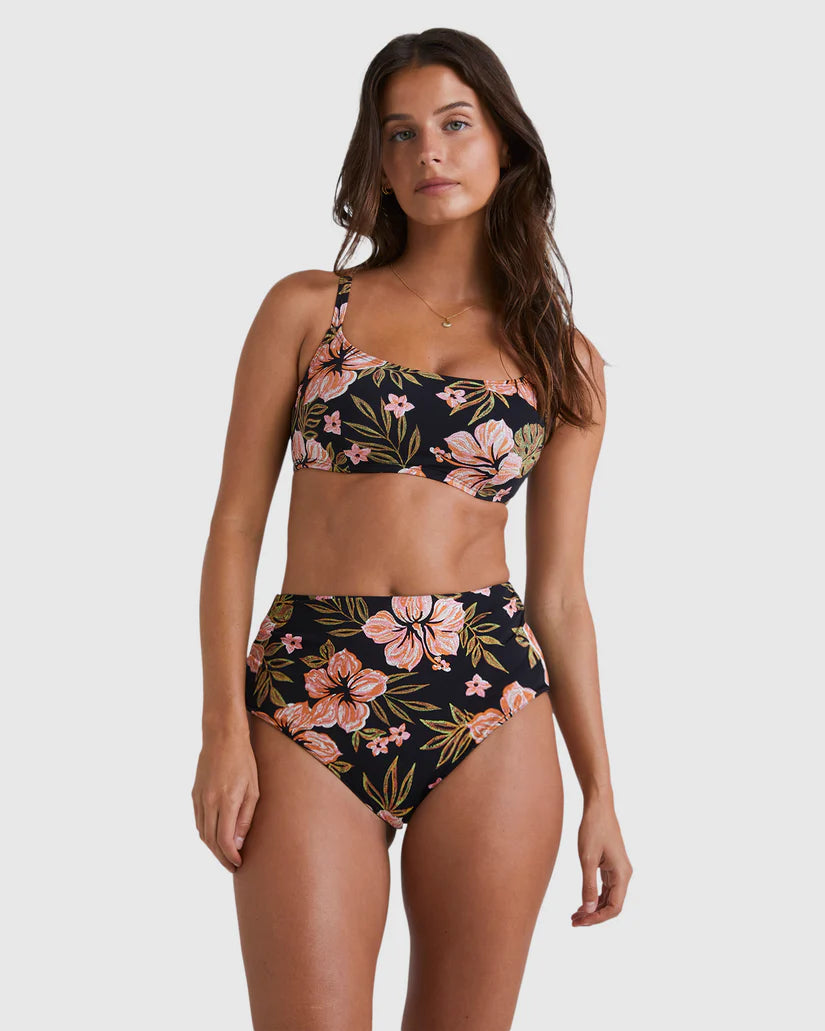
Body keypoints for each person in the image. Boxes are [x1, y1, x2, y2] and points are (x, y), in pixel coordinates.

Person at [192, 27, 632, 1031]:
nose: (428, 150)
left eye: (455, 124)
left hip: (491, 697)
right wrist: (221, 728)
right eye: (400, 133)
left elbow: (559, 592)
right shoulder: (309, 309)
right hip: (308, 686)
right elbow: (234, 524)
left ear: (505, 144)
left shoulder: (563, 360)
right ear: (380, 165)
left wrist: (601, 788)